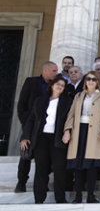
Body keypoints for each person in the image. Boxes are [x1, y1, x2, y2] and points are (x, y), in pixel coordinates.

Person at [20, 76, 72, 204]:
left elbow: (71, 119)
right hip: (41, 138)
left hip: (58, 138)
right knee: (41, 169)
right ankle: (39, 199)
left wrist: (68, 132)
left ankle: (60, 198)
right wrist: (25, 137)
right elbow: (31, 119)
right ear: (52, 85)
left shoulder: (68, 101)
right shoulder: (40, 101)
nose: (59, 86)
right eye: (57, 84)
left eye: (62, 85)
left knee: (59, 168)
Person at [62, 72, 100, 204]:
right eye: (88, 79)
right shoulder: (78, 95)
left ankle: (90, 195)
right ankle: (78, 196)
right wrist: (67, 130)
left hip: (95, 134)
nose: (90, 81)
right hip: (79, 132)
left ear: (98, 82)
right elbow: (71, 114)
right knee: (78, 165)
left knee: (91, 165)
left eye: (93, 79)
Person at [15, 61, 58, 193]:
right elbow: (21, 104)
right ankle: (21, 182)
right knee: (26, 154)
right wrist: (26, 124)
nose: (56, 73)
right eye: (54, 71)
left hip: (47, 127)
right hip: (31, 125)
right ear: (45, 71)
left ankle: (42, 184)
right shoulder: (31, 82)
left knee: (44, 158)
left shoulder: (55, 85)